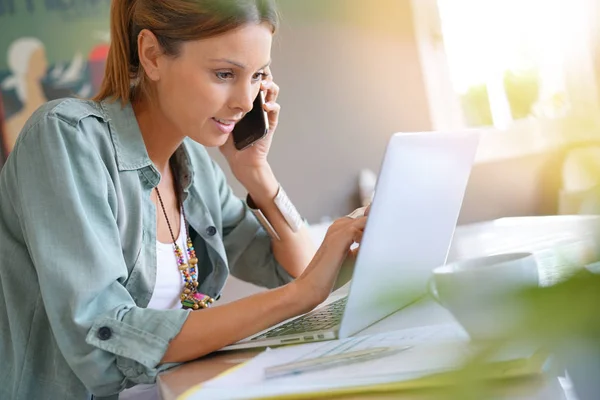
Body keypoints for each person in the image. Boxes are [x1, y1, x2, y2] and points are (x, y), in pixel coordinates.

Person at [0, 1, 368, 399]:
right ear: (152, 55)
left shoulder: (195, 166)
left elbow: (298, 270)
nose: (245, 101)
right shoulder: (66, 138)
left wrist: (256, 173)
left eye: (257, 76)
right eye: (225, 73)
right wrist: (298, 297)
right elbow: (100, 343)